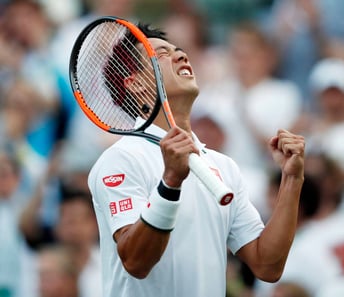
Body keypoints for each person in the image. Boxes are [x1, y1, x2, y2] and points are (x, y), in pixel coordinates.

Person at [87, 22, 305, 297]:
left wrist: (292, 179)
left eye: (179, 50)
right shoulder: (120, 160)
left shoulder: (224, 166)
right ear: (136, 84)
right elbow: (136, 262)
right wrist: (170, 183)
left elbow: (267, 265)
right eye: (163, 54)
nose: (181, 55)